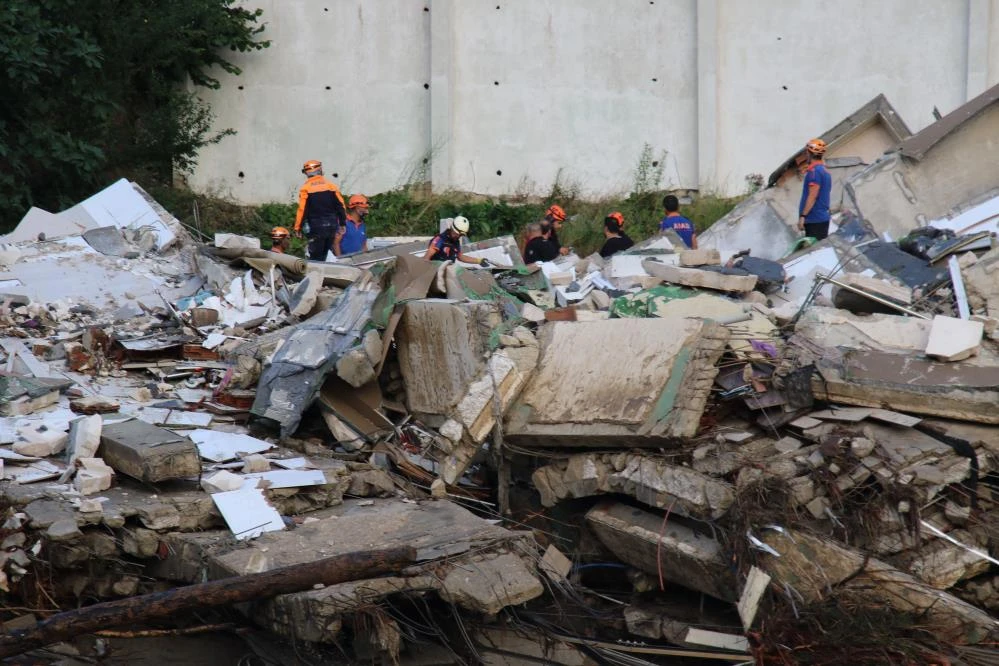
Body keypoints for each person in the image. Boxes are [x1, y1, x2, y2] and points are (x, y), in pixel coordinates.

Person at [293, 159, 347, 261]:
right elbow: (341, 205)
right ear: (320, 170)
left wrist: (298, 227)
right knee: (324, 255)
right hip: (332, 225)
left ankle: (315, 270)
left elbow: (302, 210)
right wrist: (342, 223)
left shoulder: (305, 188)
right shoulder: (331, 186)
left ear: (306, 173)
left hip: (316, 227)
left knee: (315, 258)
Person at [797, 138, 833, 241]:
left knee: (814, 249)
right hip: (821, 219)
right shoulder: (825, 171)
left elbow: (813, 196)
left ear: (809, 153)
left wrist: (803, 216)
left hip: (814, 219)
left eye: (806, 152)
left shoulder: (814, 172)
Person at [424, 216, 491, 267]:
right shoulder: (440, 239)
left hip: (448, 272)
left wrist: (479, 261)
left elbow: (460, 257)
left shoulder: (456, 242)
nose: (458, 236)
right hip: (436, 271)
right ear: (452, 228)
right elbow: (427, 257)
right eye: (457, 234)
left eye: (461, 235)